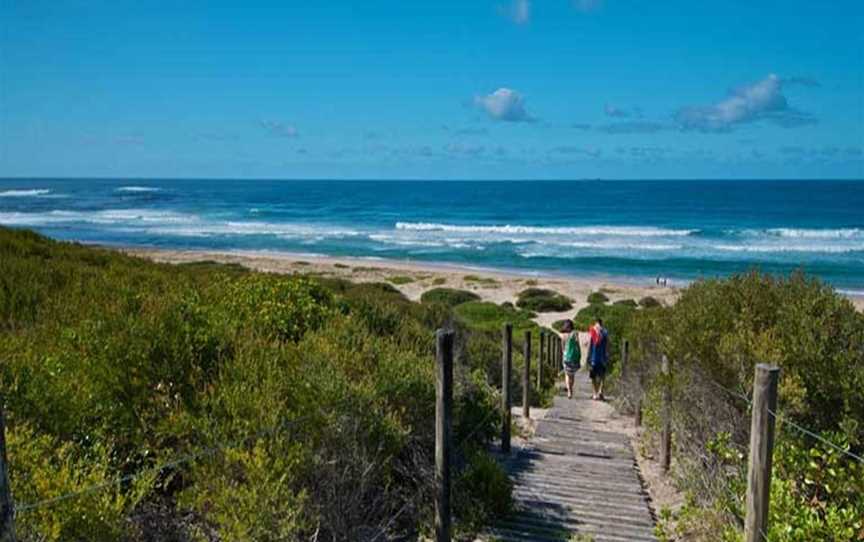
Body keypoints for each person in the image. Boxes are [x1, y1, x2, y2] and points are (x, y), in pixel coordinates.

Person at [588, 318, 609, 400]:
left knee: (593, 377)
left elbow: (590, 344)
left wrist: (588, 356)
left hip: (593, 358)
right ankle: (601, 391)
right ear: (602, 323)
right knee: (602, 376)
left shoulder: (592, 331)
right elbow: (607, 345)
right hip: (602, 358)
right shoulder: (605, 332)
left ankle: (594, 393)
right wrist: (607, 354)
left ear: (595, 323)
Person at [559, 319, 581, 399]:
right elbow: (578, 344)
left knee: (567, 374)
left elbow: (562, 347)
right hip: (574, 357)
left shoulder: (563, 335)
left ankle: (569, 391)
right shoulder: (575, 334)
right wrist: (579, 354)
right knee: (572, 375)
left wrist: (564, 353)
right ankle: (570, 388)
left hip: (566, 357)